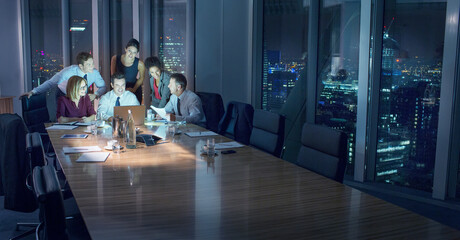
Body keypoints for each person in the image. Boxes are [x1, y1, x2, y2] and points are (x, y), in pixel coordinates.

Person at [21, 52, 106, 101]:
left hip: (81, 97)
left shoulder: (94, 72)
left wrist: (96, 94)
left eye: (92, 63)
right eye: (89, 64)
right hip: (64, 95)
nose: (92, 66)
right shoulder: (69, 72)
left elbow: (103, 87)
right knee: (65, 121)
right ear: (81, 66)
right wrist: (33, 92)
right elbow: (51, 83)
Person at [111, 38, 145, 104]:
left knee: (135, 112)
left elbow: (142, 78)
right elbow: (113, 76)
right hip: (119, 88)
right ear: (125, 49)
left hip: (134, 89)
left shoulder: (140, 64)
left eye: (134, 52)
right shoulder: (115, 59)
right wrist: (119, 88)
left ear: (137, 53)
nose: (131, 54)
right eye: (129, 51)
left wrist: (133, 89)